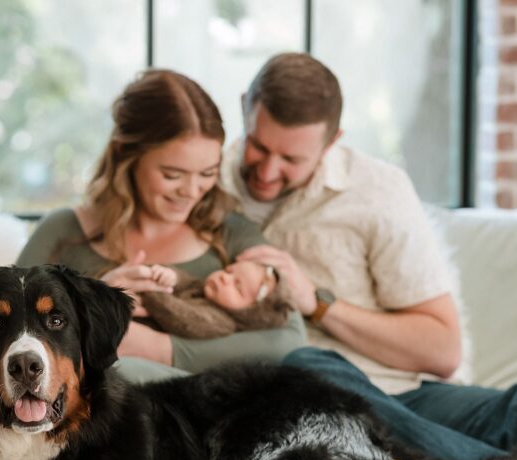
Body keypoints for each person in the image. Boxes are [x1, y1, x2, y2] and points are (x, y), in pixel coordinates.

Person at [223, 52, 517, 460]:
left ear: (332, 142)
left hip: (401, 394)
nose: (268, 171)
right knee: (309, 369)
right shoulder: (203, 180)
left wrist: (317, 303)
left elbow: (441, 350)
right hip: (303, 399)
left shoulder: (376, 191)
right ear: (244, 107)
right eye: (258, 146)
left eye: (292, 160)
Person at [16, 68, 305, 381]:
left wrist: (159, 348)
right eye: (172, 175)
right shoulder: (62, 231)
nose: (192, 191)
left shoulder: (232, 232)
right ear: (129, 157)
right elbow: (8, 334)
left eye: (207, 173)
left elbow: (288, 341)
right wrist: (96, 305)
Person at [139, 261, 293, 340]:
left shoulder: (220, 323)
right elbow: (186, 282)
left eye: (237, 287)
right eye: (229, 271)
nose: (225, 278)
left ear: (249, 313)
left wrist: (153, 290)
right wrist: (170, 276)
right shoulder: (205, 290)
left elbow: (181, 317)